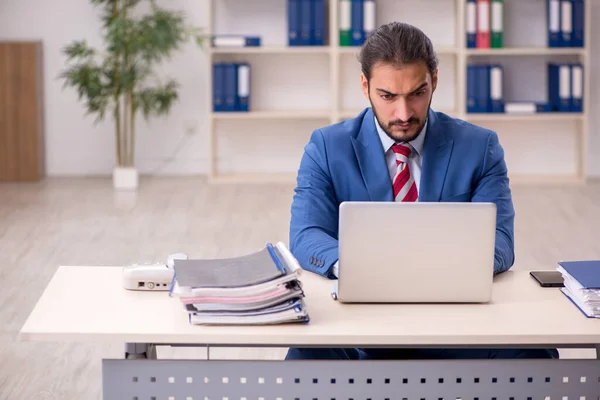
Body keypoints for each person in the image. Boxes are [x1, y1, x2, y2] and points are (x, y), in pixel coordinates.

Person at [286, 21, 558, 361]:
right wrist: (358, 268)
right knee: (305, 358)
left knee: (534, 354)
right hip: (361, 327)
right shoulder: (327, 146)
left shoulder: (479, 146)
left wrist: (436, 273)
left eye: (417, 93)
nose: (403, 113)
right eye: (387, 96)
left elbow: (500, 242)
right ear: (365, 86)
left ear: (434, 82)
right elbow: (307, 234)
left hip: (455, 324)